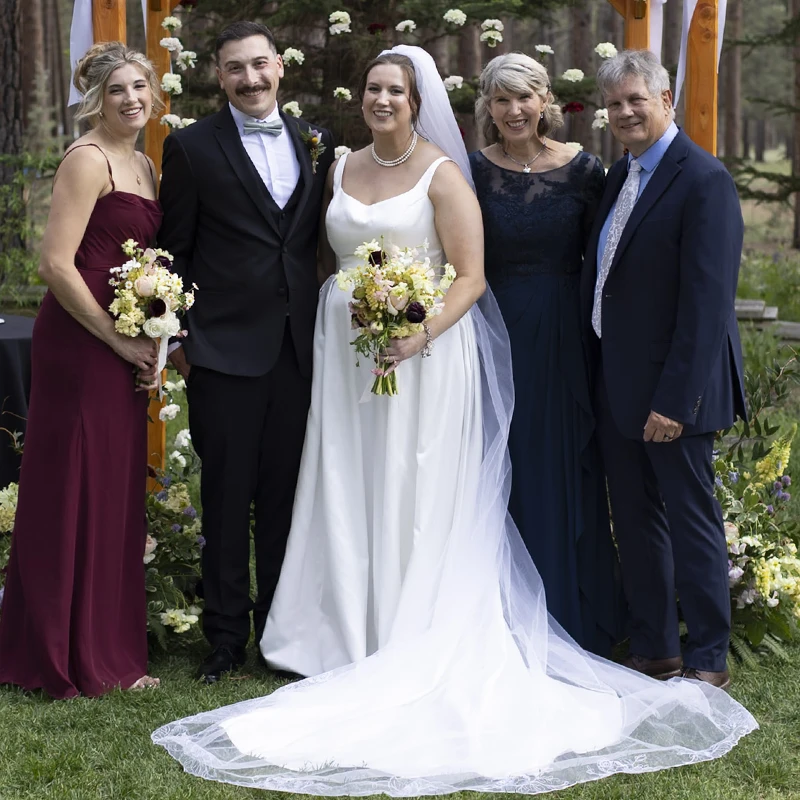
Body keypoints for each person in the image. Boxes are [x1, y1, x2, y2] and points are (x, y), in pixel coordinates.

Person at [153, 46, 755, 794]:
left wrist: (415, 329)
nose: (382, 99)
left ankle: (700, 654)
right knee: (350, 486)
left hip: (463, 354)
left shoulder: (508, 174)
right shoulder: (336, 163)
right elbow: (308, 258)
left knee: (480, 489)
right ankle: (345, 628)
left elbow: (482, 276)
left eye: (395, 90)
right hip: (347, 360)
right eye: (372, 87)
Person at [157, 21, 335, 685]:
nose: (251, 79)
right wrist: (179, 340)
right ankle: (224, 640)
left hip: (298, 350)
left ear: (279, 67)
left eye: (259, 65)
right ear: (220, 77)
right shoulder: (192, 147)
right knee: (229, 501)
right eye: (236, 69)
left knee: (288, 499)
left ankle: (282, 637)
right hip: (224, 351)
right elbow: (173, 249)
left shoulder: (315, 142)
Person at [0, 42, 162, 699]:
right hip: (79, 339)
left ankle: (112, 646)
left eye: (139, 88)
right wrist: (116, 340)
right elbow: (56, 264)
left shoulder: (146, 164)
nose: (130, 99)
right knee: (73, 486)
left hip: (125, 338)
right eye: (117, 90)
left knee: (114, 490)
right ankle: (56, 652)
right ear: (96, 98)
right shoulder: (87, 158)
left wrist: (155, 332)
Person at [581, 50, 747, 690]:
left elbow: (707, 306)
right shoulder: (620, 177)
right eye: (615, 103)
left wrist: (674, 402)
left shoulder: (703, 180)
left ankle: (708, 655)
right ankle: (654, 648)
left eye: (636, 101)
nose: (625, 112)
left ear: (666, 100)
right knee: (636, 519)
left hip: (676, 392)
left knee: (690, 519)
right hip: (618, 384)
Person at [469, 53, 620, 655]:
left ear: (544, 101)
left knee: (565, 461)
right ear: (487, 106)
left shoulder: (585, 169)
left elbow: (608, 259)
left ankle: (571, 608)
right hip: (493, 329)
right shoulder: (471, 172)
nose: (513, 111)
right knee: (502, 461)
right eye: (500, 100)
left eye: (523, 98)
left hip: (565, 332)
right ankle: (500, 609)